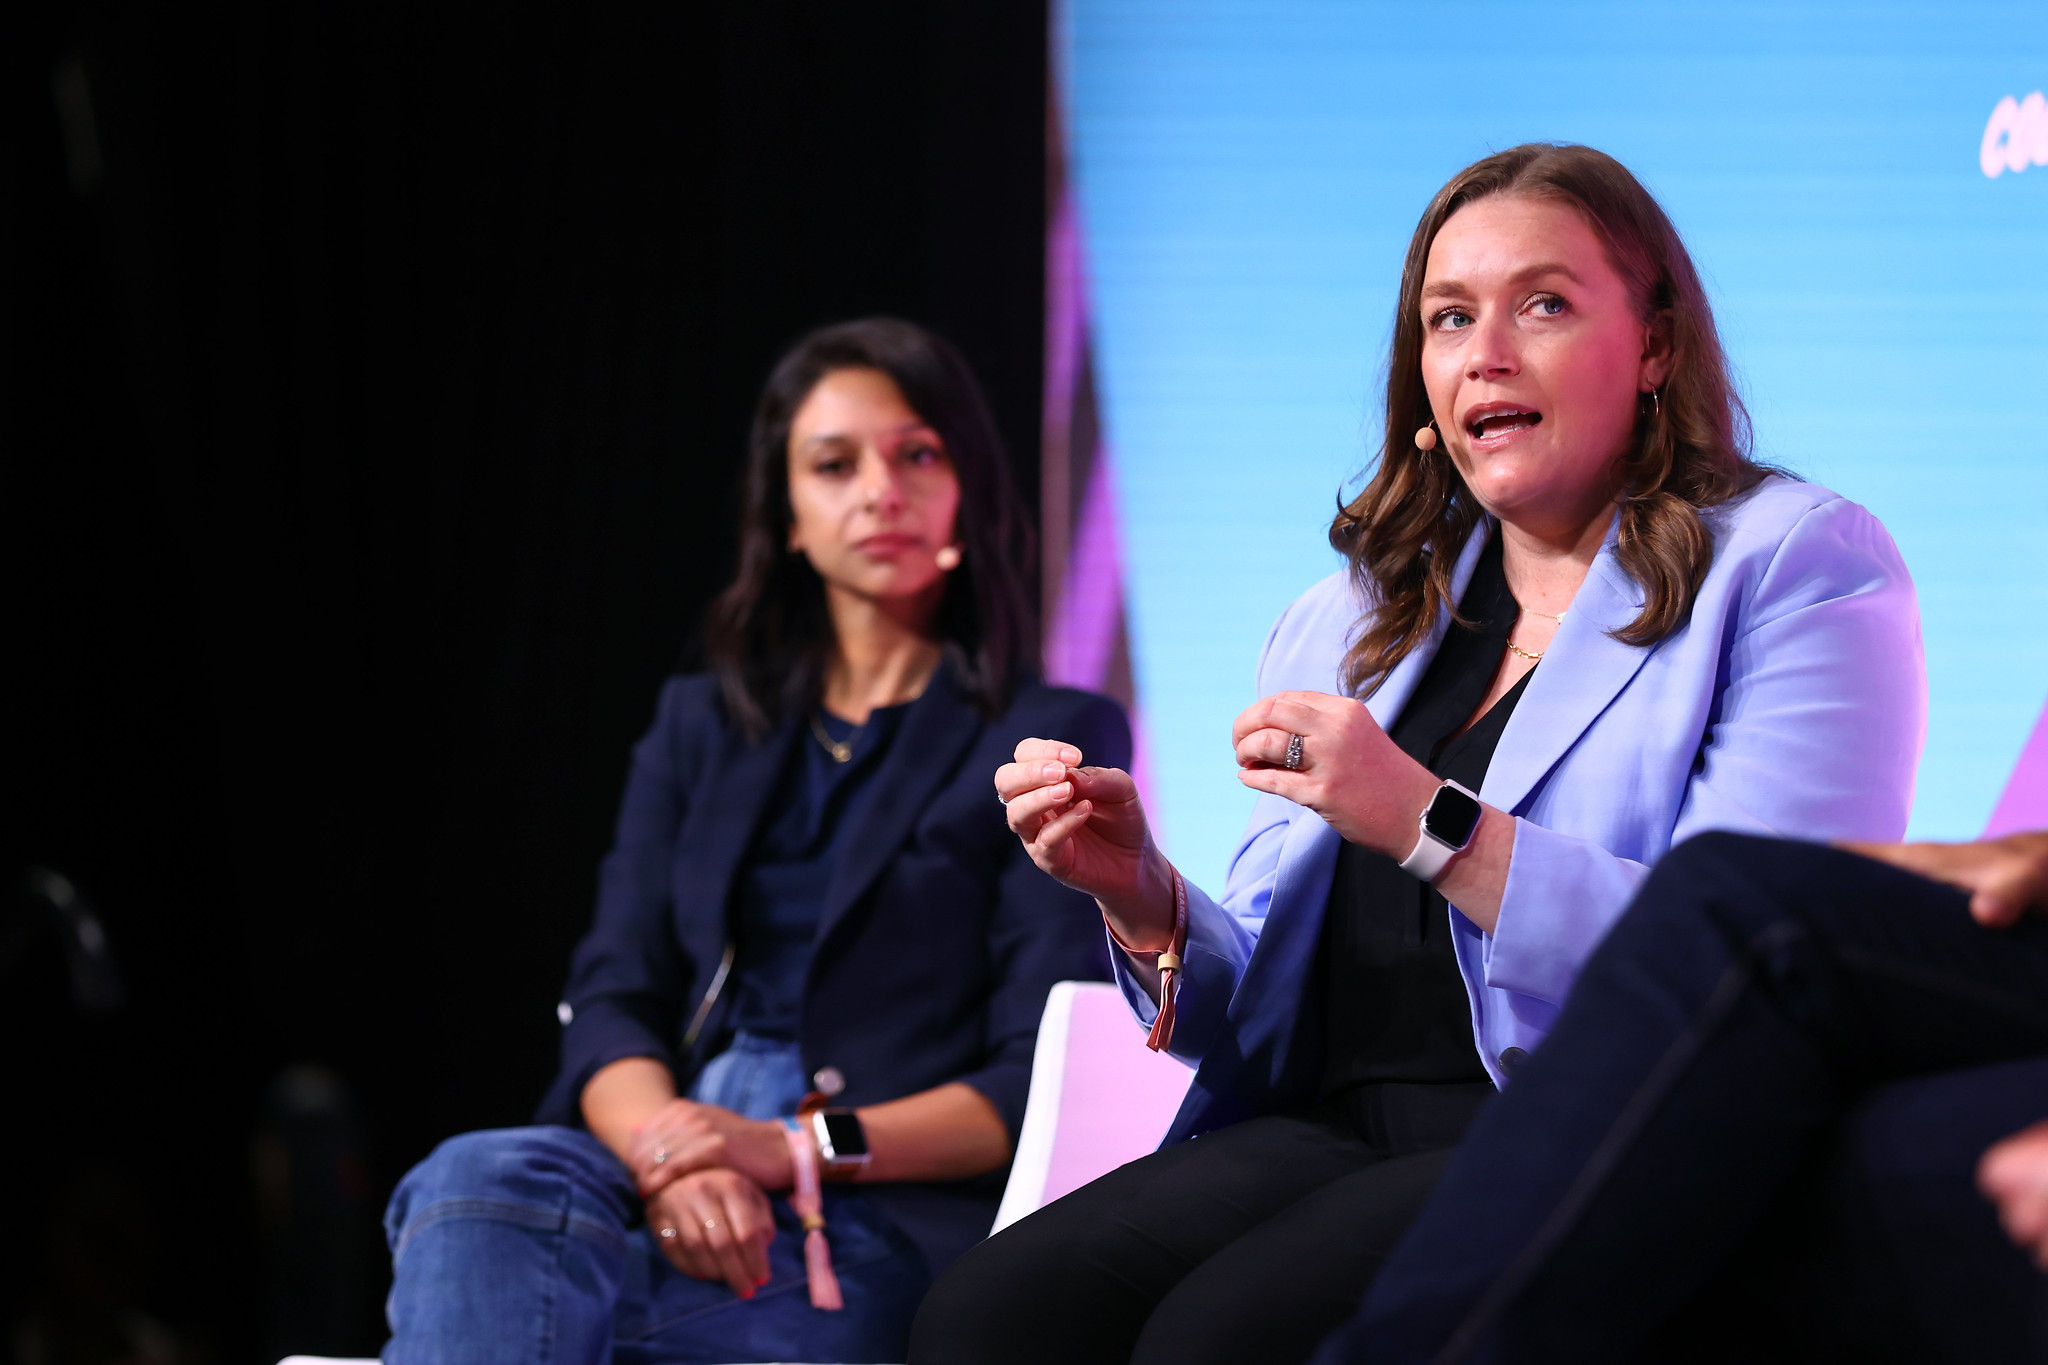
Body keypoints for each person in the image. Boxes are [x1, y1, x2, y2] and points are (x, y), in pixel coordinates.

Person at [908, 143, 1925, 1365]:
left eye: (1541, 305)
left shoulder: (1789, 566)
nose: (1484, 352)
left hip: (1597, 1135)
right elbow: (1263, 1028)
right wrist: (1138, 895)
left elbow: (1747, 965)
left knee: (1217, 1342)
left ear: (1653, 347)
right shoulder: (1348, 618)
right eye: (1449, 318)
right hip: (1327, 1127)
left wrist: (1425, 820)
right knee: (982, 1322)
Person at [380, 318, 1131, 1365]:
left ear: (966, 482)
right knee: (476, 1179)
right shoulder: (700, 725)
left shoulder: (1050, 732)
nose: (879, 489)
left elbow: (1029, 1081)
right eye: (833, 465)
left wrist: (784, 1149)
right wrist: (674, 1155)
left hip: (873, 1191)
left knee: (563, 1325)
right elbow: (613, 999)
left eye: (917, 454)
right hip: (667, 1143)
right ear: (787, 514)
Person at [1313, 827, 2048, 1365]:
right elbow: (1260, 964)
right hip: (1321, 1107)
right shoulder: (1340, 631)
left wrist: (1426, 821)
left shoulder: (1802, 610)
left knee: (1731, 907)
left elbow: (1663, 918)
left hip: (1491, 1100)